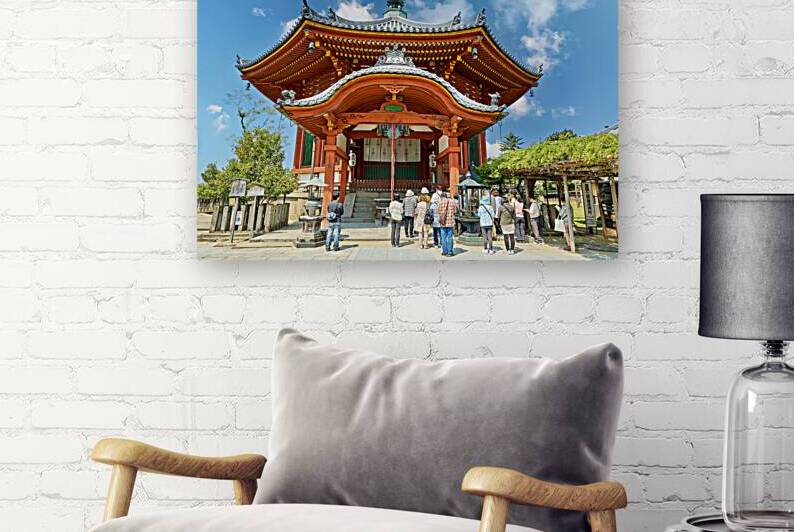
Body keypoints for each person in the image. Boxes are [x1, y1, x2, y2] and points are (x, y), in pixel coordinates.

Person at [438, 191, 457, 257]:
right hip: (450, 222)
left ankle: (444, 251)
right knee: (450, 237)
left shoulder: (440, 202)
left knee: (443, 237)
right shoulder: (452, 202)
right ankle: (450, 252)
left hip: (443, 222)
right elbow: (455, 211)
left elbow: (438, 212)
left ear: (441, 196)